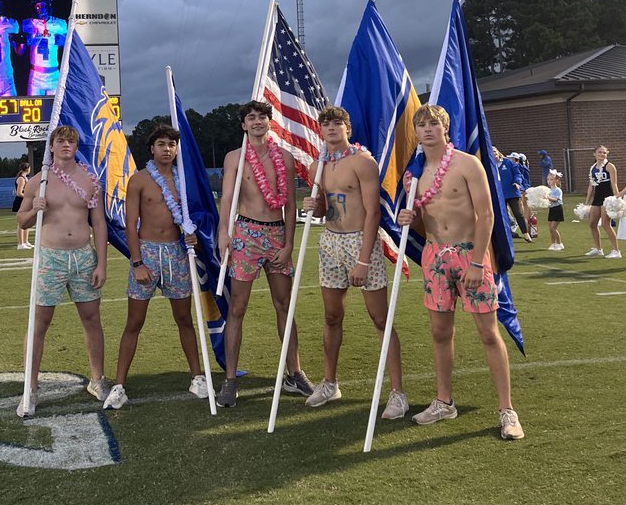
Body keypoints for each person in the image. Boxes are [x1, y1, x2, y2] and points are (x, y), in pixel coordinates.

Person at [397, 105, 524, 441]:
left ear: (445, 127)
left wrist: (479, 262)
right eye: (421, 125)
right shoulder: (415, 175)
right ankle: (443, 401)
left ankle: (507, 410)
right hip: (435, 257)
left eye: (433, 124)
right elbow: (427, 224)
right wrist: (411, 220)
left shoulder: (468, 164)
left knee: (487, 332)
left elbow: (487, 216)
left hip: (471, 255)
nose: (426, 130)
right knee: (439, 332)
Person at [300, 106, 409, 417]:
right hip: (331, 243)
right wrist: (314, 204)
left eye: (337, 123)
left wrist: (363, 259)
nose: (332, 128)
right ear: (320, 130)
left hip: (361, 242)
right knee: (332, 316)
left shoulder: (363, 161)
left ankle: (397, 392)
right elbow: (324, 211)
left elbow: (374, 211)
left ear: (347, 128)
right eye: (326, 124)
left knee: (380, 319)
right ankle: (329, 382)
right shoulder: (316, 166)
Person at [103, 125, 209, 410]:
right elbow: (130, 225)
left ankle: (198, 377)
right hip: (147, 253)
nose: (167, 149)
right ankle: (120, 385)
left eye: (172, 145)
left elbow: (197, 215)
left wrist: (192, 233)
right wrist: (137, 262)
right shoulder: (138, 180)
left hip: (177, 253)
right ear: (152, 149)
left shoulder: (184, 181)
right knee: (134, 322)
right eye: (161, 144)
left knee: (184, 319)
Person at [216, 99, 313, 408]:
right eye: (251, 118)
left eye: (262, 117)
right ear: (244, 124)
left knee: (284, 305)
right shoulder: (235, 157)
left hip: (276, 235)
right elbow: (228, 196)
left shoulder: (283, 157)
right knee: (238, 308)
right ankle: (230, 380)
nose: (257, 121)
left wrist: (288, 244)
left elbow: (289, 205)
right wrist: (223, 233)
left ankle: (294, 373)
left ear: (269, 122)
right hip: (246, 233)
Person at [15, 125, 109, 416]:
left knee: (92, 319)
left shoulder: (90, 180)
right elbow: (22, 221)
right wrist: (35, 209)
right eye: (60, 140)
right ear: (51, 146)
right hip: (51, 258)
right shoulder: (38, 181)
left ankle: (97, 379)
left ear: (76, 146)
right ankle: (30, 389)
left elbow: (100, 223)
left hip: (83, 257)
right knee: (39, 323)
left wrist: (102, 263)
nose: (66, 144)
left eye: (71, 141)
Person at [20, 0, 67, 96]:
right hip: (35, 74)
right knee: (33, 108)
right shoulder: (29, 24)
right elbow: (21, 48)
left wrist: (65, 41)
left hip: (54, 75)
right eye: (38, 6)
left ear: (49, 6)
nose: (41, 8)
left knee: (55, 109)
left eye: (43, 5)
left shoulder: (60, 24)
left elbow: (71, 45)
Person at [584, 145, 620, 258]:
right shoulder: (593, 168)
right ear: (594, 154)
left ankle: (616, 251)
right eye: (599, 152)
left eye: (604, 153)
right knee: (592, 223)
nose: (602, 154)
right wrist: (586, 202)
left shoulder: (610, 166)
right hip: (597, 197)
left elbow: (614, 184)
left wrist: (617, 199)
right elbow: (591, 186)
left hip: (607, 197)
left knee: (605, 223)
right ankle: (598, 249)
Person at [495, 149, 532, 242]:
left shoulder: (508, 162)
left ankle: (526, 234)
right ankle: (508, 234)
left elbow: (517, 174)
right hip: (499, 194)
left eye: (495, 152)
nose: (493, 154)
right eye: (491, 152)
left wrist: (517, 182)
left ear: (498, 153)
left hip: (512, 192)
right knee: (503, 215)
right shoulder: (491, 165)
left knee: (518, 213)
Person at [13, 161, 32, 249]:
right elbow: (19, 193)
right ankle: (20, 243)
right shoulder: (21, 178)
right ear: (27, 169)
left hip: (25, 201)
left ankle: (26, 241)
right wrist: (28, 196)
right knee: (21, 223)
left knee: (27, 222)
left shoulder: (25, 178)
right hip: (21, 201)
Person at [546, 169, 564, 251]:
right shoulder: (548, 190)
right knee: (550, 228)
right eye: (548, 179)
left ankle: (559, 243)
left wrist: (548, 198)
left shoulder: (558, 190)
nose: (549, 181)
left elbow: (556, 200)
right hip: (551, 209)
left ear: (556, 180)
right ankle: (553, 243)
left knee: (553, 228)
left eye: (551, 179)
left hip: (557, 209)